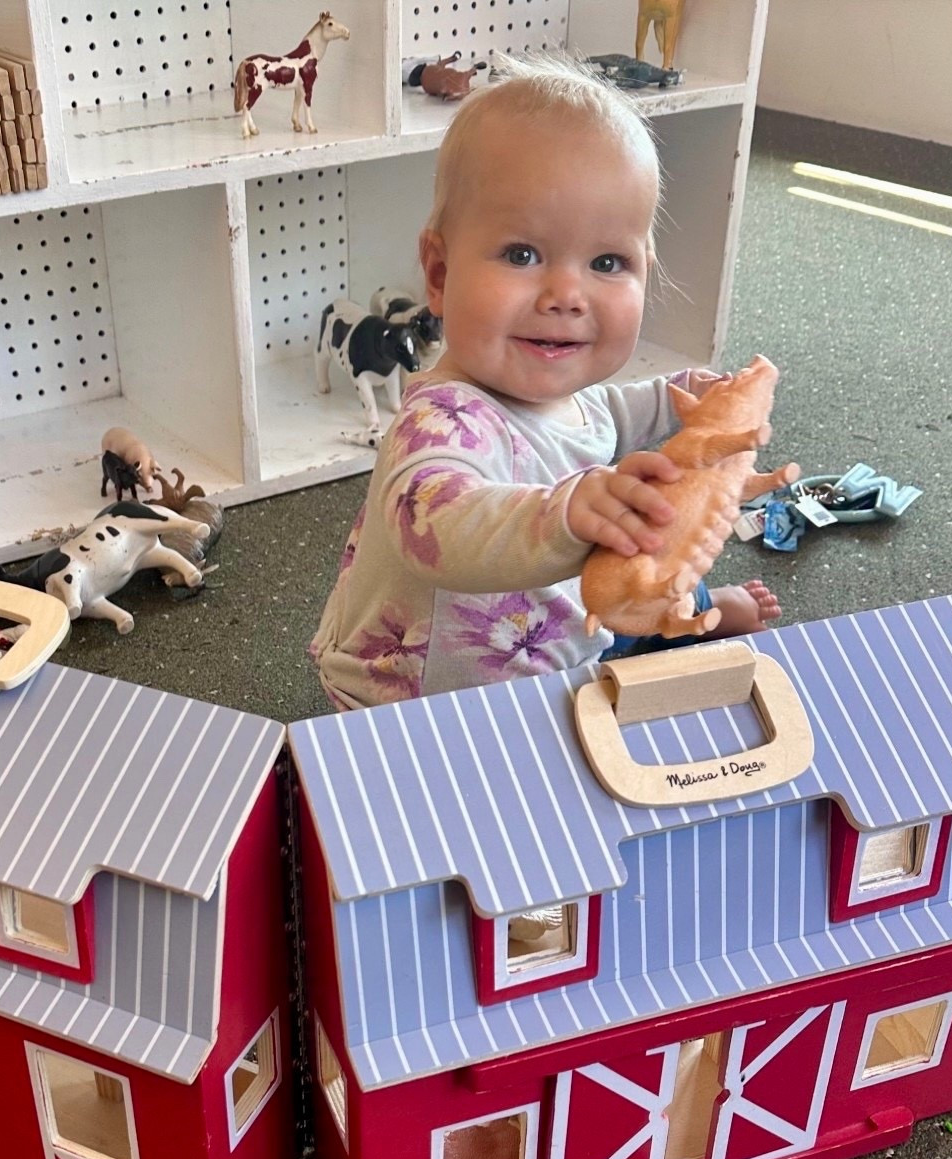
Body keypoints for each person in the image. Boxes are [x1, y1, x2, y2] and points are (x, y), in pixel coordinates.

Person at [310, 50, 783, 710]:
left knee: (643, 558)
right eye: (523, 254)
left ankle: (697, 611)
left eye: (608, 261)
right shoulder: (443, 420)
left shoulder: (556, 382)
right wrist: (565, 515)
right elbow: (433, 522)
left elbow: (603, 418)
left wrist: (679, 403)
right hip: (427, 694)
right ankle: (670, 629)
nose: (567, 293)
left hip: (553, 631)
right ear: (440, 275)